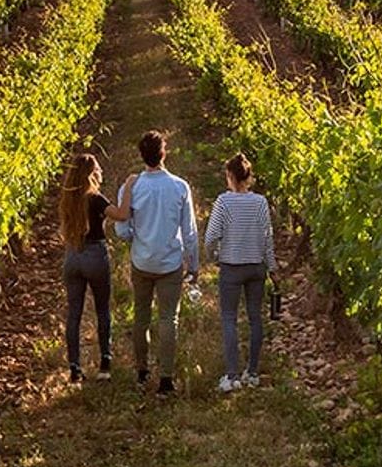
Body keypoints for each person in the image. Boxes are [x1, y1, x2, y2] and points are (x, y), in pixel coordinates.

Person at [115, 130, 198, 394]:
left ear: (142, 156)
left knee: (141, 316)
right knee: (168, 319)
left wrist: (134, 239)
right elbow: (190, 232)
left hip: (142, 260)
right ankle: (166, 379)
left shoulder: (132, 187)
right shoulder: (179, 187)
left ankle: (141, 372)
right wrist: (193, 265)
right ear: (164, 154)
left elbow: (121, 228)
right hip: (170, 262)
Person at [202, 152, 275, 392]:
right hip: (256, 267)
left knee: (229, 319)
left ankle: (232, 375)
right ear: (249, 176)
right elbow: (268, 239)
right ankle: (252, 372)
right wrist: (272, 267)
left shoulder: (224, 202)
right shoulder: (261, 202)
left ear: (230, 176)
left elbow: (211, 236)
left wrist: (213, 257)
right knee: (256, 318)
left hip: (232, 266)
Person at [58, 152, 128, 382]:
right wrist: (128, 189)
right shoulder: (95, 198)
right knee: (102, 310)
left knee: (74, 314)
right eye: (97, 168)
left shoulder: (69, 199)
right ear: (91, 174)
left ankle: (74, 368)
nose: (100, 171)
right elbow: (120, 215)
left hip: (72, 255)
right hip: (95, 255)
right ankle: (105, 362)